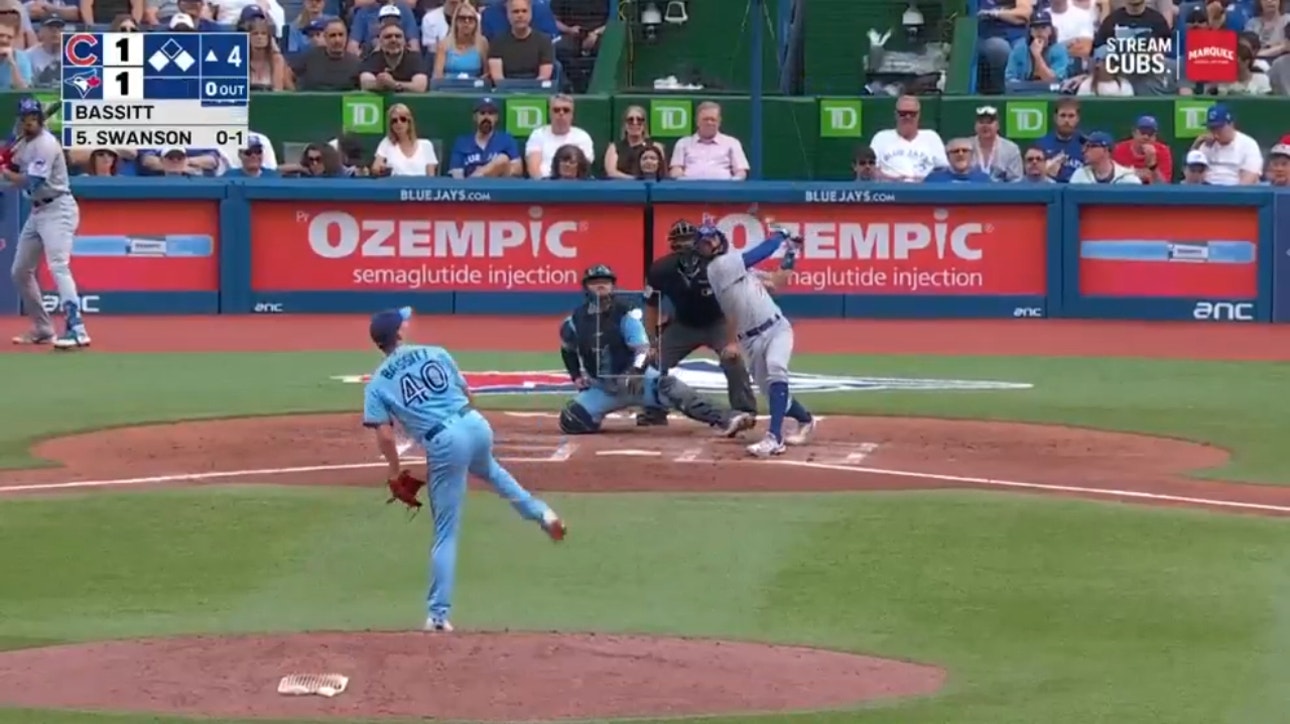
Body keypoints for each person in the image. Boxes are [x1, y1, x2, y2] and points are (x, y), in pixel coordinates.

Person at [363, 306, 566, 634]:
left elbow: (385, 434)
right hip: (474, 424)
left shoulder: (376, 384)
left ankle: (438, 615)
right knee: (494, 473)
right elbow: (468, 395)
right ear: (399, 333)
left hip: (443, 439)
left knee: (446, 531)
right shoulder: (435, 351)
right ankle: (541, 513)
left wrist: (394, 470)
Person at [556, 265, 748, 436]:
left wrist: (636, 371)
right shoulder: (574, 321)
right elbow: (568, 349)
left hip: (638, 382)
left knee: (676, 391)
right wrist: (576, 376)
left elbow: (642, 348)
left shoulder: (626, 314)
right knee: (573, 421)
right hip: (603, 389)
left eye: (605, 282)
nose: (601, 286)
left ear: (613, 286)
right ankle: (598, 414)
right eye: (595, 282)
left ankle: (727, 418)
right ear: (586, 287)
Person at [690, 222, 814, 458]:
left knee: (777, 370)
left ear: (720, 239)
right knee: (773, 392)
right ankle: (806, 419)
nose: (710, 245)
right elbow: (761, 252)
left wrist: (791, 251)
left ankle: (774, 438)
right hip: (751, 340)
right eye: (704, 243)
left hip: (777, 328)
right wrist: (781, 235)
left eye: (712, 239)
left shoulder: (737, 268)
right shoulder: (718, 268)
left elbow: (779, 282)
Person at [635, 219, 758, 432]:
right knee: (653, 363)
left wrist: (731, 342)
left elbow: (734, 306)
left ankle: (744, 411)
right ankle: (654, 410)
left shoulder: (717, 266)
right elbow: (651, 307)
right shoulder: (661, 269)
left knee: (734, 361)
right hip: (684, 325)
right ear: (671, 244)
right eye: (679, 240)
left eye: (688, 240)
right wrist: (652, 342)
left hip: (719, 322)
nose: (684, 245)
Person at [7, 97, 89, 349]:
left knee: (58, 266)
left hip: (58, 208)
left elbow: (32, 182)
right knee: (20, 271)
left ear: (41, 120)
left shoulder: (46, 144)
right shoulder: (22, 141)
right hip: (38, 211)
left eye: (34, 119)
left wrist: (4, 170)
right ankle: (43, 328)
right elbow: (14, 162)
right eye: (26, 119)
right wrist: (6, 160)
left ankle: (77, 329)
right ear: (20, 121)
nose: (30, 123)